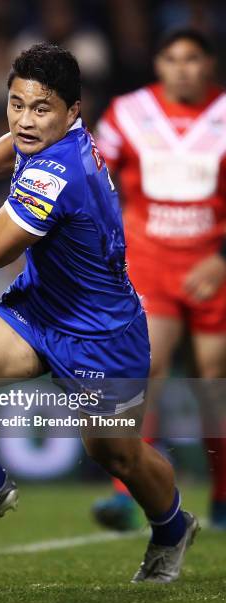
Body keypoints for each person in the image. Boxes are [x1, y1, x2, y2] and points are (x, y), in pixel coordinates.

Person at [0, 43, 198, 583]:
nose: (25, 120)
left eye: (41, 108)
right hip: (38, 308)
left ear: (73, 112)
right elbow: (14, 144)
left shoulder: (58, 173)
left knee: (117, 457)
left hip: (103, 336)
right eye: (16, 103)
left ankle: (172, 527)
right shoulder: (51, 135)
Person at [92, 28, 226, 530]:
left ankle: (222, 494)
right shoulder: (129, 113)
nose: (182, 68)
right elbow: (93, 173)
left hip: (211, 262)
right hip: (149, 260)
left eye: (192, 58)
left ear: (209, 64)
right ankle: (126, 493)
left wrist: (222, 258)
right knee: (145, 369)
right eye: (171, 58)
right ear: (158, 64)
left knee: (213, 383)